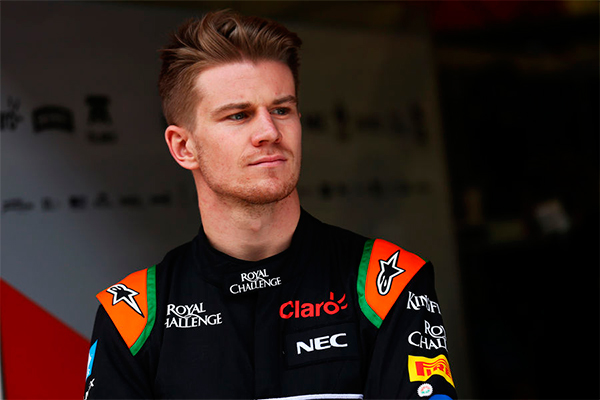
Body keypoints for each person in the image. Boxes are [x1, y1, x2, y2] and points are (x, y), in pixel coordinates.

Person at [84, 10, 457, 400]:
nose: (269, 132)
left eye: (281, 110)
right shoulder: (133, 315)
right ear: (183, 147)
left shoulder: (386, 283)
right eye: (239, 115)